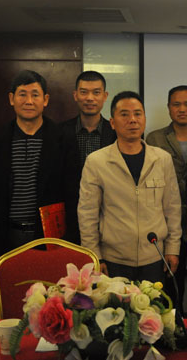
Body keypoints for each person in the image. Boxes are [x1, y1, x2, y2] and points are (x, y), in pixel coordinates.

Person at [78, 91, 182, 282]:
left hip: (155, 257)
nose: (132, 120)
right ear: (112, 123)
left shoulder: (162, 159)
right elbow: (87, 214)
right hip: (113, 259)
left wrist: (173, 248)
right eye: (124, 114)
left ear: (144, 119)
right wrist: (95, 256)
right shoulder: (96, 162)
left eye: (138, 114)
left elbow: (172, 208)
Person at [0, 70, 77, 266]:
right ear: (11, 99)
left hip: (49, 237)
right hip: (6, 235)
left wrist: (69, 241)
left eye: (35, 95)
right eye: (22, 94)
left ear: (45, 100)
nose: (29, 101)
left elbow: (72, 194)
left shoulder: (63, 139)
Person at [146, 85, 187, 317]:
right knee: (170, 289)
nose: (182, 109)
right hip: (166, 224)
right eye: (176, 104)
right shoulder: (155, 138)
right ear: (169, 108)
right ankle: (174, 331)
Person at [60, 71, 116, 244]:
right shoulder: (60, 132)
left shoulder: (115, 133)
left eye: (96, 92)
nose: (90, 98)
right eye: (84, 92)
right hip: (68, 219)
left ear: (105, 96)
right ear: (75, 95)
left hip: (109, 217)